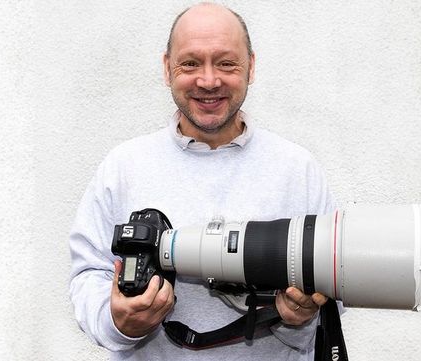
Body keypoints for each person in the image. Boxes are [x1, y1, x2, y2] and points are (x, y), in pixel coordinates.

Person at [68, 3, 335, 360]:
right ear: (167, 68)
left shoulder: (298, 169)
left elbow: (337, 276)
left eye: (226, 63)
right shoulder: (124, 166)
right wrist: (118, 321)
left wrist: (298, 315)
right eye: (190, 63)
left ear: (251, 66)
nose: (208, 81)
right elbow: (88, 274)